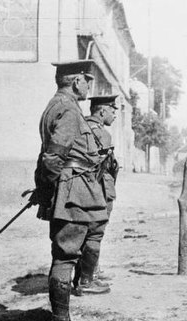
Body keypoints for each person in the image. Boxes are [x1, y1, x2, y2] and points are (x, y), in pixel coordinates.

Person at [32, 60, 107, 321]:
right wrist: (53, 189)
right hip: (72, 193)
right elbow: (53, 157)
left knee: (65, 255)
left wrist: (44, 188)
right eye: (87, 80)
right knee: (65, 257)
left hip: (70, 191)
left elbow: (47, 155)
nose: (89, 86)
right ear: (75, 81)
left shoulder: (56, 105)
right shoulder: (68, 109)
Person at [70, 95, 120, 296]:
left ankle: (87, 275)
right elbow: (105, 167)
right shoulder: (102, 134)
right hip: (100, 188)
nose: (114, 114)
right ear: (101, 111)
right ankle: (87, 279)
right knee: (95, 233)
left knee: (85, 232)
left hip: (83, 189)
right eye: (112, 110)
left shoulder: (81, 127)